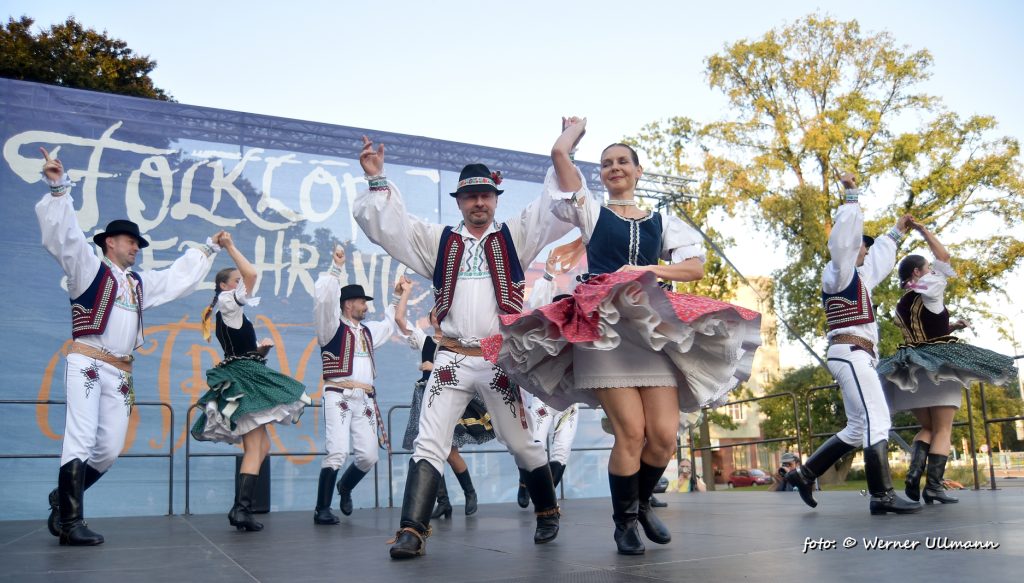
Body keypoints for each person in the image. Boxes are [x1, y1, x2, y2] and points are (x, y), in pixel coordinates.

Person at [486, 118, 762, 555]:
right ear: (601, 174)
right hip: (601, 329)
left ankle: (642, 502)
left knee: (665, 437)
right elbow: (560, 157)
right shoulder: (591, 210)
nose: (614, 168)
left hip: (652, 333)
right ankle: (625, 522)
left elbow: (694, 268)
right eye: (607, 163)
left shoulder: (662, 220)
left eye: (622, 162)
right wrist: (572, 134)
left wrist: (648, 270)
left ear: (637, 171)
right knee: (631, 432)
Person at [353, 131, 572, 559]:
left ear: (495, 198)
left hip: (496, 358)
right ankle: (412, 531)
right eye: (470, 196)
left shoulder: (514, 238)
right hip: (451, 357)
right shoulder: (439, 242)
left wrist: (565, 151)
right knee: (429, 441)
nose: (479, 203)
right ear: (459, 201)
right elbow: (392, 228)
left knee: (522, 442)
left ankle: (547, 511)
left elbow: (550, 209)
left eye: (485, 195)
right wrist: (378, 180)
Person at [37, 148, 220, 545]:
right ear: (109, 242)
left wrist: (207, 248)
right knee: (81, 438)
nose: (136, 247)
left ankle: (62, 499)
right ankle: (70, 523)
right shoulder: (88, 267)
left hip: (120, 370)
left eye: (137, 242)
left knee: (109, 448)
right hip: (86, 361)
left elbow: (175, 279)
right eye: (130, 241)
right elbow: (64, 239)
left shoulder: (137, 285)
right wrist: (57, 188)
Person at [784, 172, 920, 516]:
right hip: (849, 353)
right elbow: (844, 243)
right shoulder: (838, 272)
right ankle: (881, 495)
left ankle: (804, 473)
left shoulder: (859, 278)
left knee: (859, 426)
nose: (867, 249)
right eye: (864, 243)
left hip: (856, 356)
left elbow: (878, 260)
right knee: (878, 417)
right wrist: (851, 196)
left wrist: (897, 231)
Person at [877, 220, 1018, 504]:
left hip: (909, 370)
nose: (932, 270)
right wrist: (922, 230)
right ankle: (934, 487)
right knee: (943, 429)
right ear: (918, 272)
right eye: (926, 267)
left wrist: (951, 326)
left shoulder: (902, 303)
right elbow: (944, 258)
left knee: (927, 428)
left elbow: (924, 331)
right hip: (937, 367)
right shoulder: (931, 285)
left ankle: (914, 475)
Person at [190, 232, 312, 531]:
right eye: (235, 282)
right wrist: (230, 245)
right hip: (243, 379)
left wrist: (261, 350)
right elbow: (252, 273)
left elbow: (239, 349)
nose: (241, 285)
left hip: (243, 373)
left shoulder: (230, 310)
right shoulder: (228, 302)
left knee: (261, 447)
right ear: (224, 286)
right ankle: (240, 510)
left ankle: (241, 508)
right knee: (256, 447)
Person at [311, 246, 410, 525]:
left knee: (368, 456)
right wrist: (335, 268)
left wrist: (397, 295)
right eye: (362, 302)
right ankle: (322, 509)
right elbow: (323, 302)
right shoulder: (330, 327)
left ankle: (345, 487)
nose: (366, 306)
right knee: (337, 451)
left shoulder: (366, 332)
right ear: (347, 304)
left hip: (364, 399)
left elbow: (389, 324)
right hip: (339, 395)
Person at [397, 297, 494, 519]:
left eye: (444, 313)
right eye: (435, 314)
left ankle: (470, 493)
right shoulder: (426, 341)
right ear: (431, 319)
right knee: (428, 448)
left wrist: (434, 367)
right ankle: (444, 502)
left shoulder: (459, 343)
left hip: (450, 397)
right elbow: (401, 321)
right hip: (427, 397)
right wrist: (403, 295)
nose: (439, 317)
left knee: (450, 451)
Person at [515, 248, 580, 506]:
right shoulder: (546, 331)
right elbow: (536, 305)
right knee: (536, 444)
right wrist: (549, 275)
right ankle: (524, 483)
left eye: (570, 307)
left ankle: (545, 497)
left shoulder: (581, 334)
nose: (566, 310)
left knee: (563, 450)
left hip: (570, 402)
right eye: (562, 306)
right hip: (544, 398)